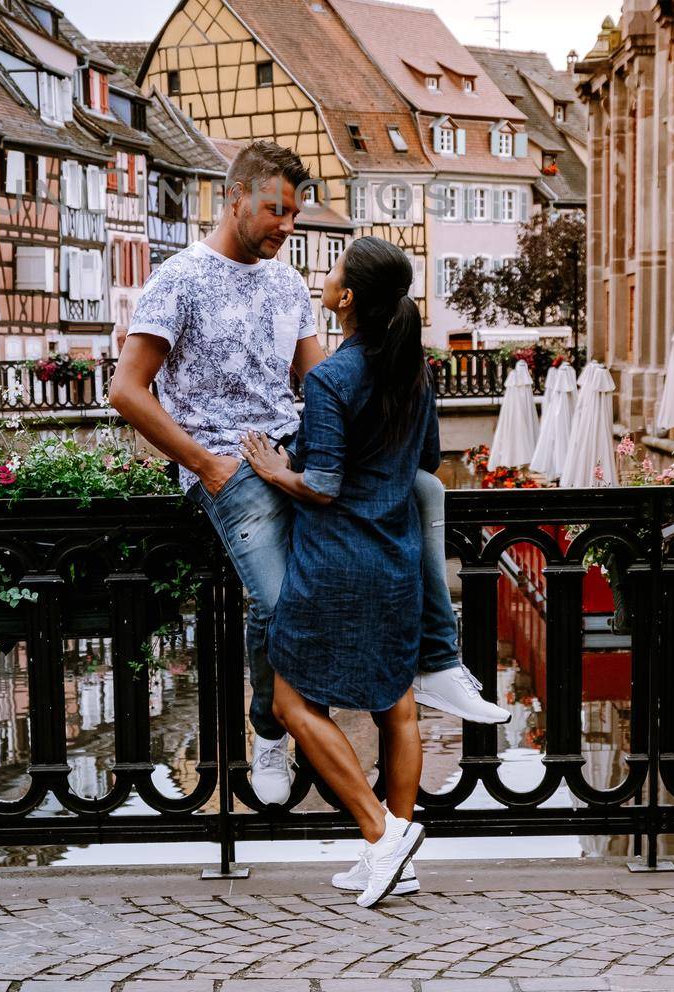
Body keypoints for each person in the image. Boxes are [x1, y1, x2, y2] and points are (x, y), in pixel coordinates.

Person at [109, 139, 507, 809]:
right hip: (228, 464)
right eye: (274, 211)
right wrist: (206, 465)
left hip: (296, 452)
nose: (286, 227)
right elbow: (126, 390)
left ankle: (438, 663)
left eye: (293, 214)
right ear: (231, 198)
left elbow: (322, 378)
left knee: (415, 491)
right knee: (282, 602)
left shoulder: (287, 283)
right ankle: (269, 730)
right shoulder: (178, 279)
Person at [239, 235, 431, 906]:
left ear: (345, 298)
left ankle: (382, 835)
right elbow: (423, 458)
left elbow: (321, 484)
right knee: (394, 704)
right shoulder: (413, 367)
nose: (322, 278)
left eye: (332, 271)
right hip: (394, 553)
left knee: (290, 703)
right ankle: (396, 862)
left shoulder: (330, 377)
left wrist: (273, 469)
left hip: (334, 561)